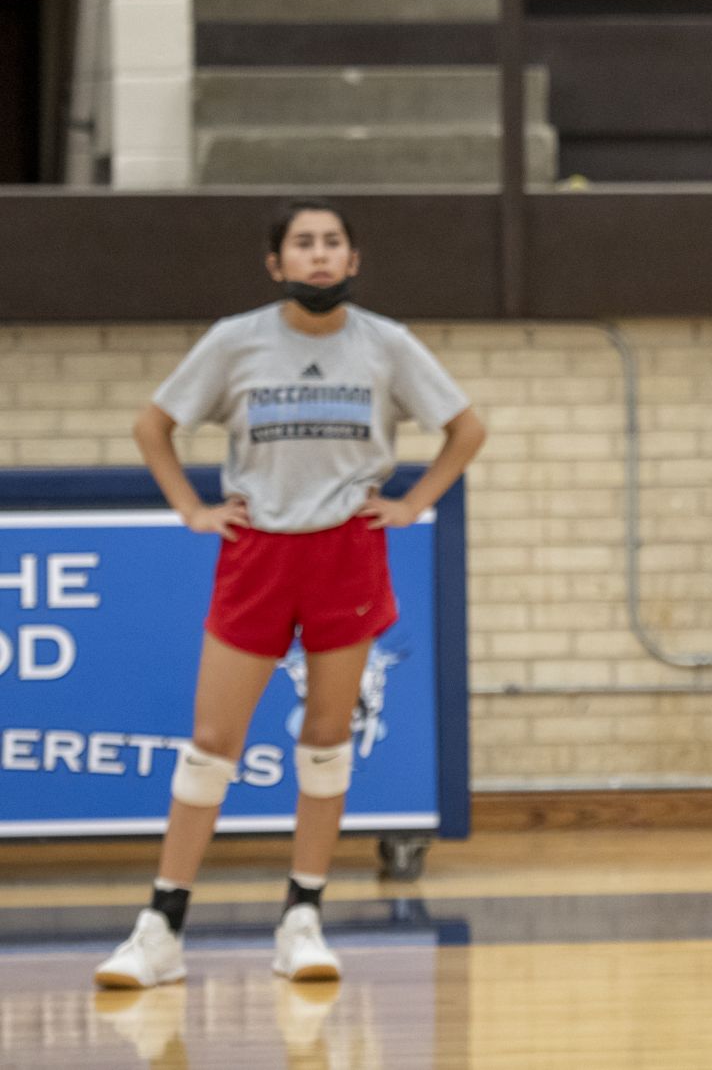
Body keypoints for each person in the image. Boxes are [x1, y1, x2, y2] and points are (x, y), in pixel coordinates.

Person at [94, 201, 484, 990]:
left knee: (327, 734)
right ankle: (161, 926)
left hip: (346, 549)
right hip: (258, 550)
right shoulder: (235, 340)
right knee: (211, 741)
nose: (317, 254)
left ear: (352, 259)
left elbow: (466, 428)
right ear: (276, 263)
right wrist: (192, 508)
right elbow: (151, 423)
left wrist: (412, 502)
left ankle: (301, 917)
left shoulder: (386, 343)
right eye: (301, 243)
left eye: (330, 242)